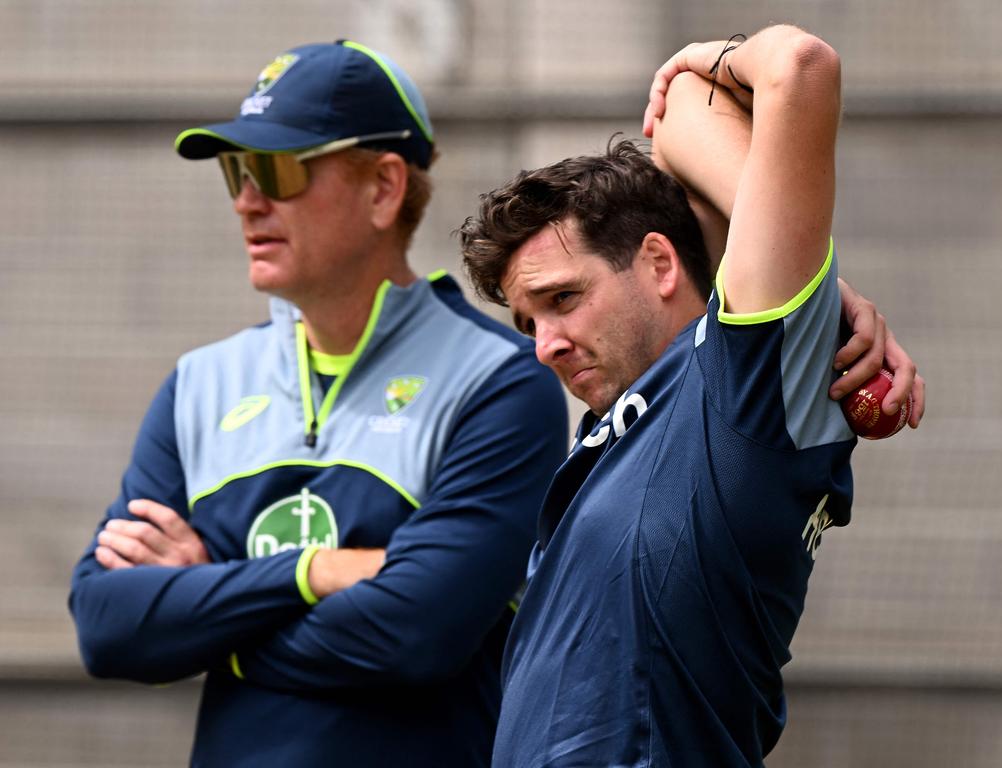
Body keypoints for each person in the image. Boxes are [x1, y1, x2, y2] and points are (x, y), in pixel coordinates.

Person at [67, 40, 569, 766]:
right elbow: (108, 627)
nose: (247, 199)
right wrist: (314, 573)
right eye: (237, 171)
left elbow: (413, 634)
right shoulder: (199, 382)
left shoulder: (500, 382)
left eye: (277, 168)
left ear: (384, 188)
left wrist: (210, 604)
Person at [459, 25, 924, 767]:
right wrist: (820, 283)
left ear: (658, 262)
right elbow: (680, 116)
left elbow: (793, 68)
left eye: (563, 298)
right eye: (527, 321)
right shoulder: (634, 421)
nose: (542, 342)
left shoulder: (735, 387)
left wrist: (799, 289)